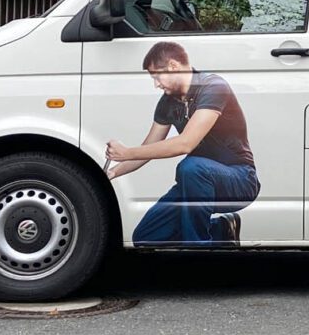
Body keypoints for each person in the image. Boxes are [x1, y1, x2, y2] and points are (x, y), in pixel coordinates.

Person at [105, 41, 260, 245]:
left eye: (157, 77)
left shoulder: (213, 87)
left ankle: (197, 250)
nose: (156, 85)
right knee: (147, 237)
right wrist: (111, 172)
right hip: (195, 181)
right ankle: (223, 229)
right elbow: (147, 149)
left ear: (173, 67)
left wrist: (126, 152)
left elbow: (185, 144)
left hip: (239, 179)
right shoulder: (167, 102)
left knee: (190, 166)